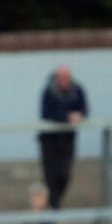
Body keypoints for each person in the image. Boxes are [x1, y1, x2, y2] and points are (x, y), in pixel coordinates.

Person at [38, 66, 88, 208]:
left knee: (64, 174)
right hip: (49, 139)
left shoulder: (77, 91)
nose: (64, 81)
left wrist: (78, 116)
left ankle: (55, 201)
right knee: (50, 175)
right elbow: (46, 113)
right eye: (61, 78)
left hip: (68, 138)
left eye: (66, 78)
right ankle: (53, 205)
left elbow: (84, 110)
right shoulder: (49, 91)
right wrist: (66, 117)